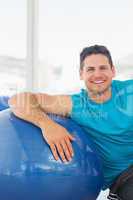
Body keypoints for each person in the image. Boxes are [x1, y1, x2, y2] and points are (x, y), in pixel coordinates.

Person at [9, 45, 133, 200]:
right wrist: (47, 125)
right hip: (124, 179)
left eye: (103, 68)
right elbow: (17, 100)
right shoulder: (74, 104)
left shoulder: (129, 90)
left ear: (112, 71)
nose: (97, 74)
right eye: (90, 69)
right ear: (81, 74)